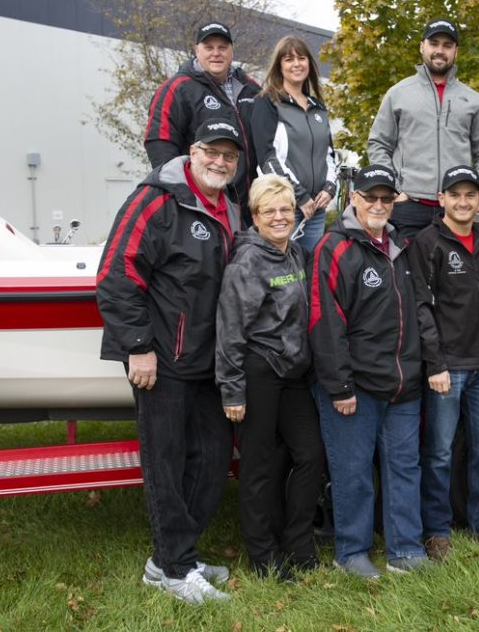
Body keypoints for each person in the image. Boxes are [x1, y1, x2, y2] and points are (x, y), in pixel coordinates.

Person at [97, 118, 244, 604]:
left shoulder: (230, 209)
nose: (220, 162)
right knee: (164, 462)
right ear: (192, 151)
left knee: (212, 458)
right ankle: (176, 569)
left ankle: (171, 558)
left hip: (208, 359)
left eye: (229, 155)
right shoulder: (156, 199)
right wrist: (137, 346)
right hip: (160, 356)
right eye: (212, 152)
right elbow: (118, 273)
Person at [308, 164, 427, 579]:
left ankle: (406, 550)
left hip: (403, 385)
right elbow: (324, 322)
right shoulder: (334, 247)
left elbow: (415, 313)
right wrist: (339, 386)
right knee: (353, 473)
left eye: (386, 198)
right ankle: (352, 553)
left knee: (404, 469)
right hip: (353, 387)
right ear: (354, 197)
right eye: (370, 197)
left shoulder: (402, 247)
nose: (378, 205)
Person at [215, 175, 325, 580]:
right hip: (258, 371)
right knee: (259, 466)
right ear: (255, 216)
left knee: (309, 454)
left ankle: (297, 542)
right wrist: (232, 390)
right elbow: (230, 330)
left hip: (294, 373)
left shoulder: (296, 253)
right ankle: (263, 556)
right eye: (270, 211)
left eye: (285, 210)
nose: (279, 217)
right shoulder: (247, 262)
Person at [408, 165, 479, 560]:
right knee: (438, 453)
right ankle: (437, 532)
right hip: (447, 368)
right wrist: (435, 364)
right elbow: (420, 307)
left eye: (470, 195)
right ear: (441, 200)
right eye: (454, 194)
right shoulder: (427, 242)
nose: (463, 201)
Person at [367, 18, 479, 241]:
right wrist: (394, 188)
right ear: (422, 47)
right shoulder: (398, 93)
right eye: (434, 43)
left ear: (456, 51)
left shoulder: (472, 99)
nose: (440, 50)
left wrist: (472, 191)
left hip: (454, 210)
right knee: (405, 276)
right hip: (408, 208)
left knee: (454, 275)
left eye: (447, 45)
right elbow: (378, 144)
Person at [144, 21, 260, 220]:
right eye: (209, 47)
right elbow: (159, 144)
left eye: (222, 47)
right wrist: (184, 196)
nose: (216, 53)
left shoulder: (252, 88)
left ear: (232, 52)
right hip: (201, 206)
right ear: (196, 50)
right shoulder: (177, 88)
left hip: (248, 205)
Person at [250, 36, 339, 252]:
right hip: (284, 207)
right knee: (281, 271)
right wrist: (299, 195)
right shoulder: (268, 102)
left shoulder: (318, 107)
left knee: (310, 270)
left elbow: (328, 154)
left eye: (301, 58)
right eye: (289, 59)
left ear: (309, 63)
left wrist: (330, 188)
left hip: (316, 209)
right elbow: (267, 158)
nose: (296, 64)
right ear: (279, 65)